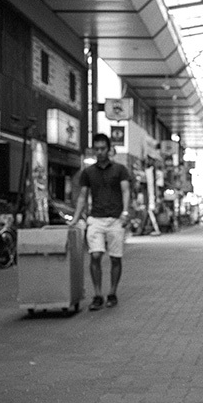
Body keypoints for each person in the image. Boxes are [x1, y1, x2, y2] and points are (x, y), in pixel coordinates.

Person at [71, 133, 131, 311]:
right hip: (95, 218)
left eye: (102, 148)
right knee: (95, 255)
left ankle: (112, 293)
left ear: (109, 149)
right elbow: (83, 196)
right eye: (96, 149)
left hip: (115, 219)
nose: (100, 152)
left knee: (115, 258)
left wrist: (126, 213)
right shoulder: (88, 172)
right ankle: (97, 294)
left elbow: (126, 191)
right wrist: (75, 218)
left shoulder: (120, 170)